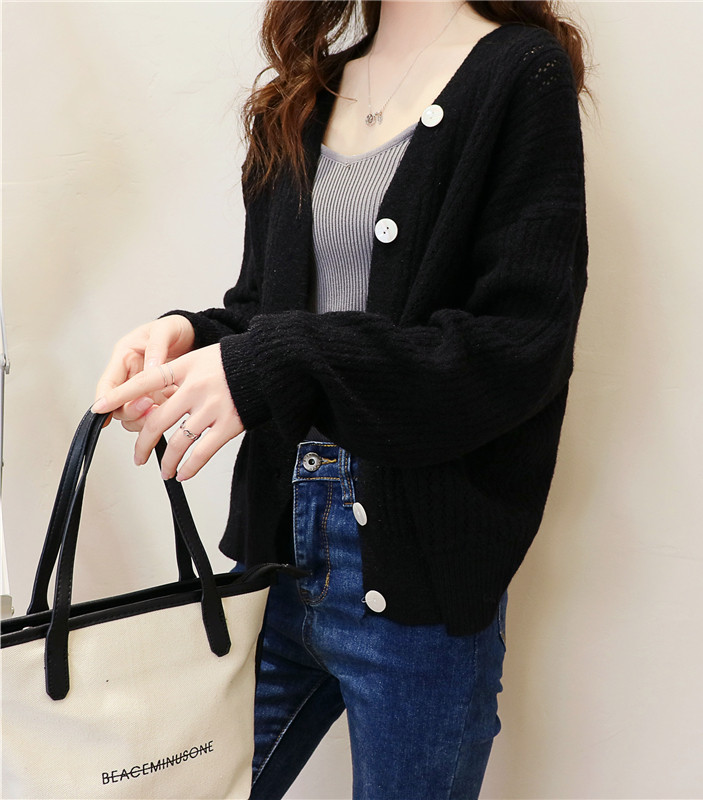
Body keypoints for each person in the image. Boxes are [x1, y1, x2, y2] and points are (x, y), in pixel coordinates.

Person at [92, 1, 592, 797]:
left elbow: (515, 350)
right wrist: (189, 336)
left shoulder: (519, 73)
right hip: (274, 555)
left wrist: (275, 361)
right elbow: (267, 312)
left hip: (419, 581)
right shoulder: (303, 95)